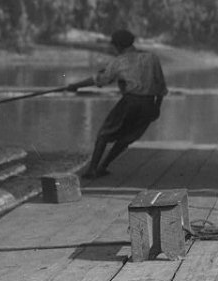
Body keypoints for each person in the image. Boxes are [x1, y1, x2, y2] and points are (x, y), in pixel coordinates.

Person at [66, 28, 168, 179]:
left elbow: (100, 80)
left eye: (114, 46)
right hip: (149, 104)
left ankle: (92, 169)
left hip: (130, 102)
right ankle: (103, 167)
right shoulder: (152, 58)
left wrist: (75, 85)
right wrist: (156, 108)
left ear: (119, 46)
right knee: (126, 138)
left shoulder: (119, 62)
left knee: (104, 135)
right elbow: (161, 86)